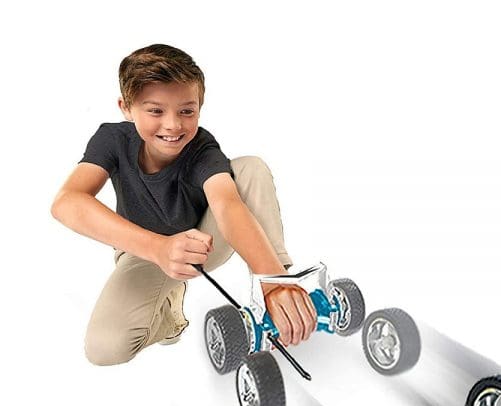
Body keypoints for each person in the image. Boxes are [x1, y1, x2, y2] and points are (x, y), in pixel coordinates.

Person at [51, 43, 317, 366]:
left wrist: (272, 280)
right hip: (143, 252)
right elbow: (66, 202)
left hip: (201, 244)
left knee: (249, 168)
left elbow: (227, 205)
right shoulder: (112, 139)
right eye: (155, 111)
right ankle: (168, 315)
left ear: (199, 108)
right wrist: (159, 249)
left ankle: (281, 284)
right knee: (104, 348)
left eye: (186, 111)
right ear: (126, 107)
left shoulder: (202, 148)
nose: (173, 125)